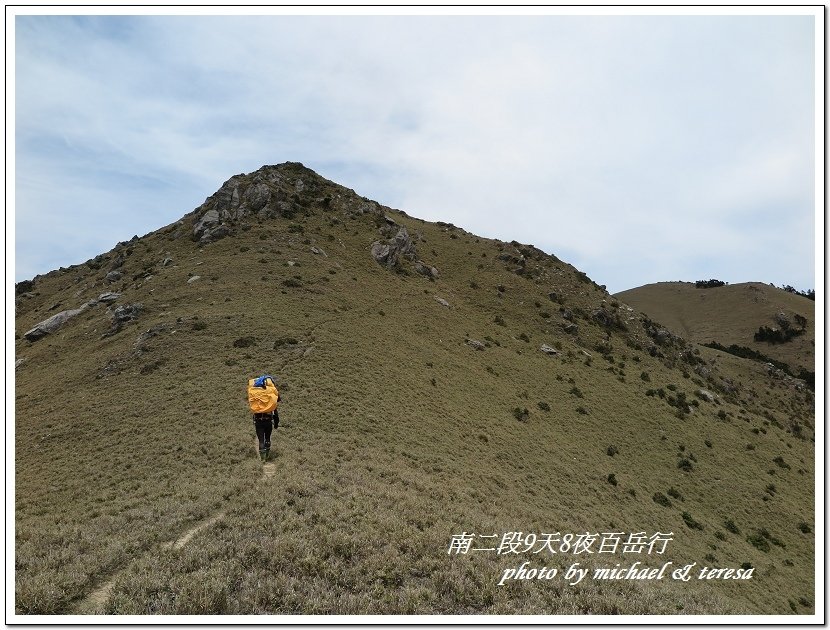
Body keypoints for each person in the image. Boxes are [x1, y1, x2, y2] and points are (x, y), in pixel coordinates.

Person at [248, 375, 281, 462]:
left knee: (261, 440)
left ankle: (263, 459)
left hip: (258, 421)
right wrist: (276, 423)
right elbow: (277, 404)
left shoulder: (255, 395)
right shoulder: (270, 395)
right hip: (268, 421)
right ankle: (267, 456)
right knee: (267, 438)